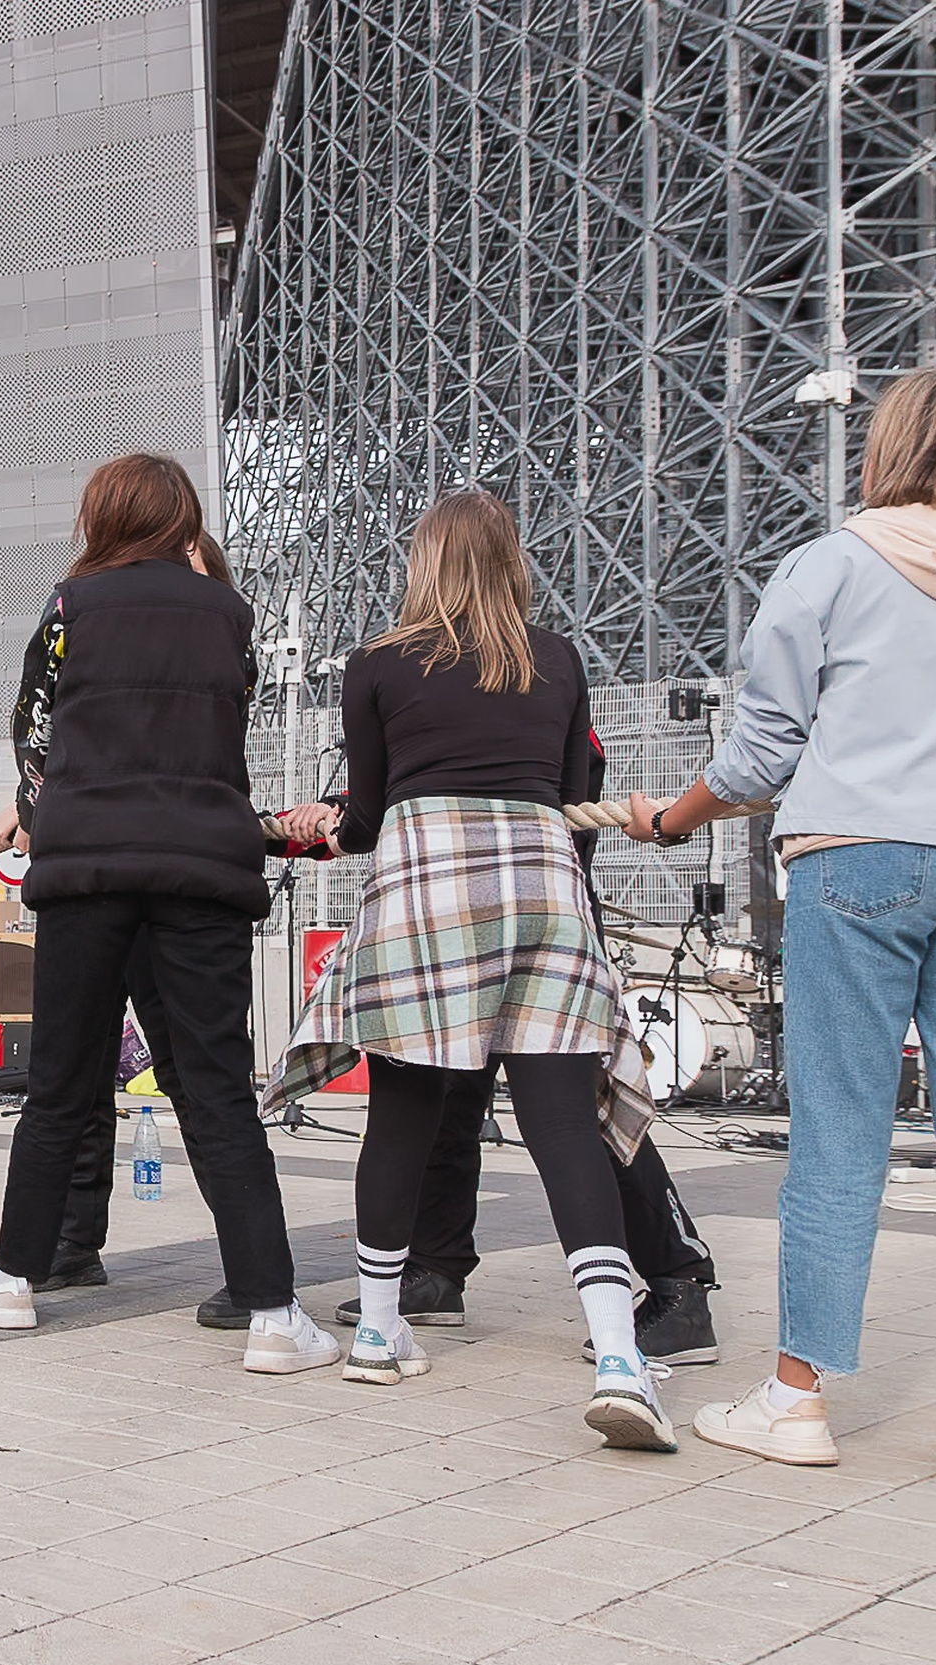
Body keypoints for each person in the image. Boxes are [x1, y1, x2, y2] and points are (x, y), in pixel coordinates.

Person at [627, 367, 936, 1499]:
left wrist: (672, 818)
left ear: (888, 444)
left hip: (858, 860)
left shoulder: (837, 565)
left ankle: (797, 1400)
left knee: (840, 1136)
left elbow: (762, 753)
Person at [264, 489, 673, 1450]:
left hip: (426, 890)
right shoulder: (556, 658)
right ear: (509, 562)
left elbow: (368, 819)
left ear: (426, 562)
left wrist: (307, 825)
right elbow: (569, 795)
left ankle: (377, 1329)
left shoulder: (375, 664)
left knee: (404, 1108)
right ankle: (619, 1355)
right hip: (540, 889)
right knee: (563, 1122)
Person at [0, 452, 335, 1376]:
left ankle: (11, 1280)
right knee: (215, 1086)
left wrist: (43, 814)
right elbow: (229, 717)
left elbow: (33, 736)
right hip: (201, 871)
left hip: (86, 871)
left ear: (103, 515)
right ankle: (273, 1314)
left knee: (58, 1082)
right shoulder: (229, 614)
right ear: (183, 520)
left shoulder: (70, 606)